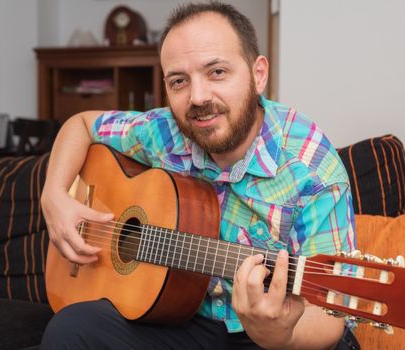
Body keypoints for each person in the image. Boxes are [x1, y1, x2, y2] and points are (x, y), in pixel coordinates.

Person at [40, 1, 358, 349]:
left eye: (217, 72)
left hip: (273, 334)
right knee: (69, 329)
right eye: (179, 81)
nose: (198, 97)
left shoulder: (313, 169)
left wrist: (279, 334)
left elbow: (333, 313)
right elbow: (81, 124)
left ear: (258, 74)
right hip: (182, 319)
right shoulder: (162, 131)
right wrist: (54, 193)